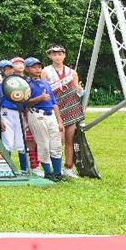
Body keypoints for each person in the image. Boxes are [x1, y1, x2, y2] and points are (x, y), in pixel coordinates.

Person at [42, 45, 84, 178]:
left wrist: (79, 89)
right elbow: (44, 90)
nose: (57, 57)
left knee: (69, 140)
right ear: (50, 56)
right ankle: (56, 167)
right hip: (55, 109)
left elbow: (77, 90)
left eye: (60, 54)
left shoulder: (72, 72)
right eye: (54, 54)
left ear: (64, 55)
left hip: (70, 109)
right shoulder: (46, 71)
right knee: (58, 140)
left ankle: (68, 167)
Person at [24, 57, 64, 181]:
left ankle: (58, 173)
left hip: (50, 114)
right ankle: (48, 172)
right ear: (27, 69)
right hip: (37, 113)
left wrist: (59, 121)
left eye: (39, 67)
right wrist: (40, 98)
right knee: (43, 144)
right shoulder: (26, 84)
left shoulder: (45, 83)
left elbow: (54, 103)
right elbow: (25, 102)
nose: (37, 69)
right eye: (34, 67)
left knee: (56, 144)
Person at [0, 59, 29, 174]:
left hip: (19, 112)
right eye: (5, 69)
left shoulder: (18, 82)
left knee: (21, 142)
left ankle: (24, 169)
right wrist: (0, 118)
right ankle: (7, 169)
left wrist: (26, 117)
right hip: (6, 112)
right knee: (8, 141)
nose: (8, 71)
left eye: (10, 68)